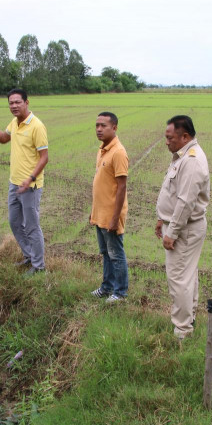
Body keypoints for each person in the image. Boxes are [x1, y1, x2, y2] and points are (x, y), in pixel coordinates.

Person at [0, 89, 48, 276]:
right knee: (14, 223)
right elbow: (3, 138)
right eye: (11, 103)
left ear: (26, 102)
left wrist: (30, 178)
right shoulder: (15, 123)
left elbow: (44, 157)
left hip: (30, 186)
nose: (13, 106)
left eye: (17, 102)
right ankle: (29, 257)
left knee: (31, 226)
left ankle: (39, 267)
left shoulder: (36, 126)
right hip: (14, 183)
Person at [155, 115, 209, 339]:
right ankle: (189, 321)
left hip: (184, 229)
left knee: (179, 279)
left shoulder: (192, 160)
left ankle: (182, 331)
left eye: (170, 138)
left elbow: (186, 202)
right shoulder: (182, 156)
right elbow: (173, 192)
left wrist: (172, 232)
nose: (166, 142)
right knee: (187, 276)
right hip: (178, 226)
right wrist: (162, 218)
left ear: (184, 136)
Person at [89, 112, 129, 302]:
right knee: (105, 253)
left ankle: (120, 293)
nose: (99, 129)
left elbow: (122, 187)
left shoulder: (118, 152)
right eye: (97, 125)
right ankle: (107, 287)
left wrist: (115, 217)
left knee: (116, 254)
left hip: (112, 215)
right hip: (100, 213)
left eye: (103, 125)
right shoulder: (103, 149)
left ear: (114, 128)